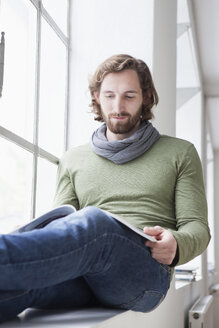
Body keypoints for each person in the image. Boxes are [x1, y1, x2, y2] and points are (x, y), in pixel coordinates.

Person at [0, 54, 210, 322]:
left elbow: (197, 226)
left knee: (96, 222)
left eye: (129, 96)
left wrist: (176, 244)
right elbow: (62, 225)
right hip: (82, 275)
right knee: (14, 290)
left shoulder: (180, 153)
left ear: (146, 97)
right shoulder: (72, 159)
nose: (118, 106)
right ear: (97, 97)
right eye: (109, 95)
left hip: (145, 277)